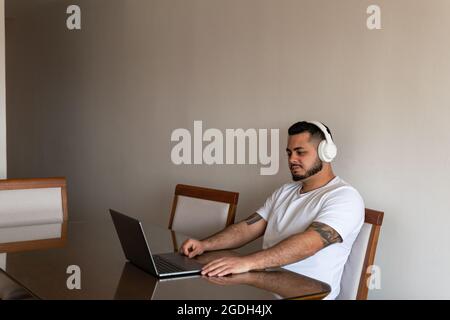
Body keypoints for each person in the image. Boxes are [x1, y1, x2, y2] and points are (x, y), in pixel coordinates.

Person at [180, 121, 364, 299]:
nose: (292, 159)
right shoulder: (285, 191)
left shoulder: (345, 197)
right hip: (264, 288)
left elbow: (309, 244)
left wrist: (246, 262)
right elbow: (248, 227)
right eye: (289, 153)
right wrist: (205, 245)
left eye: (300, 152)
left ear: (326, 153)